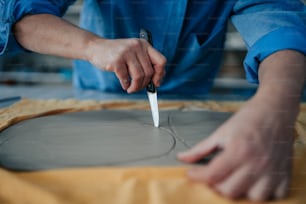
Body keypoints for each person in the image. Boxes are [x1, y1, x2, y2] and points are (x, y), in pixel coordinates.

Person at [1, 0, 305, 201]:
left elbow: (281, 28)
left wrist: (274, 108)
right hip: (95, 98)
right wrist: (92, 46)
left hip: (197, 100)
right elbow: (19, 15)